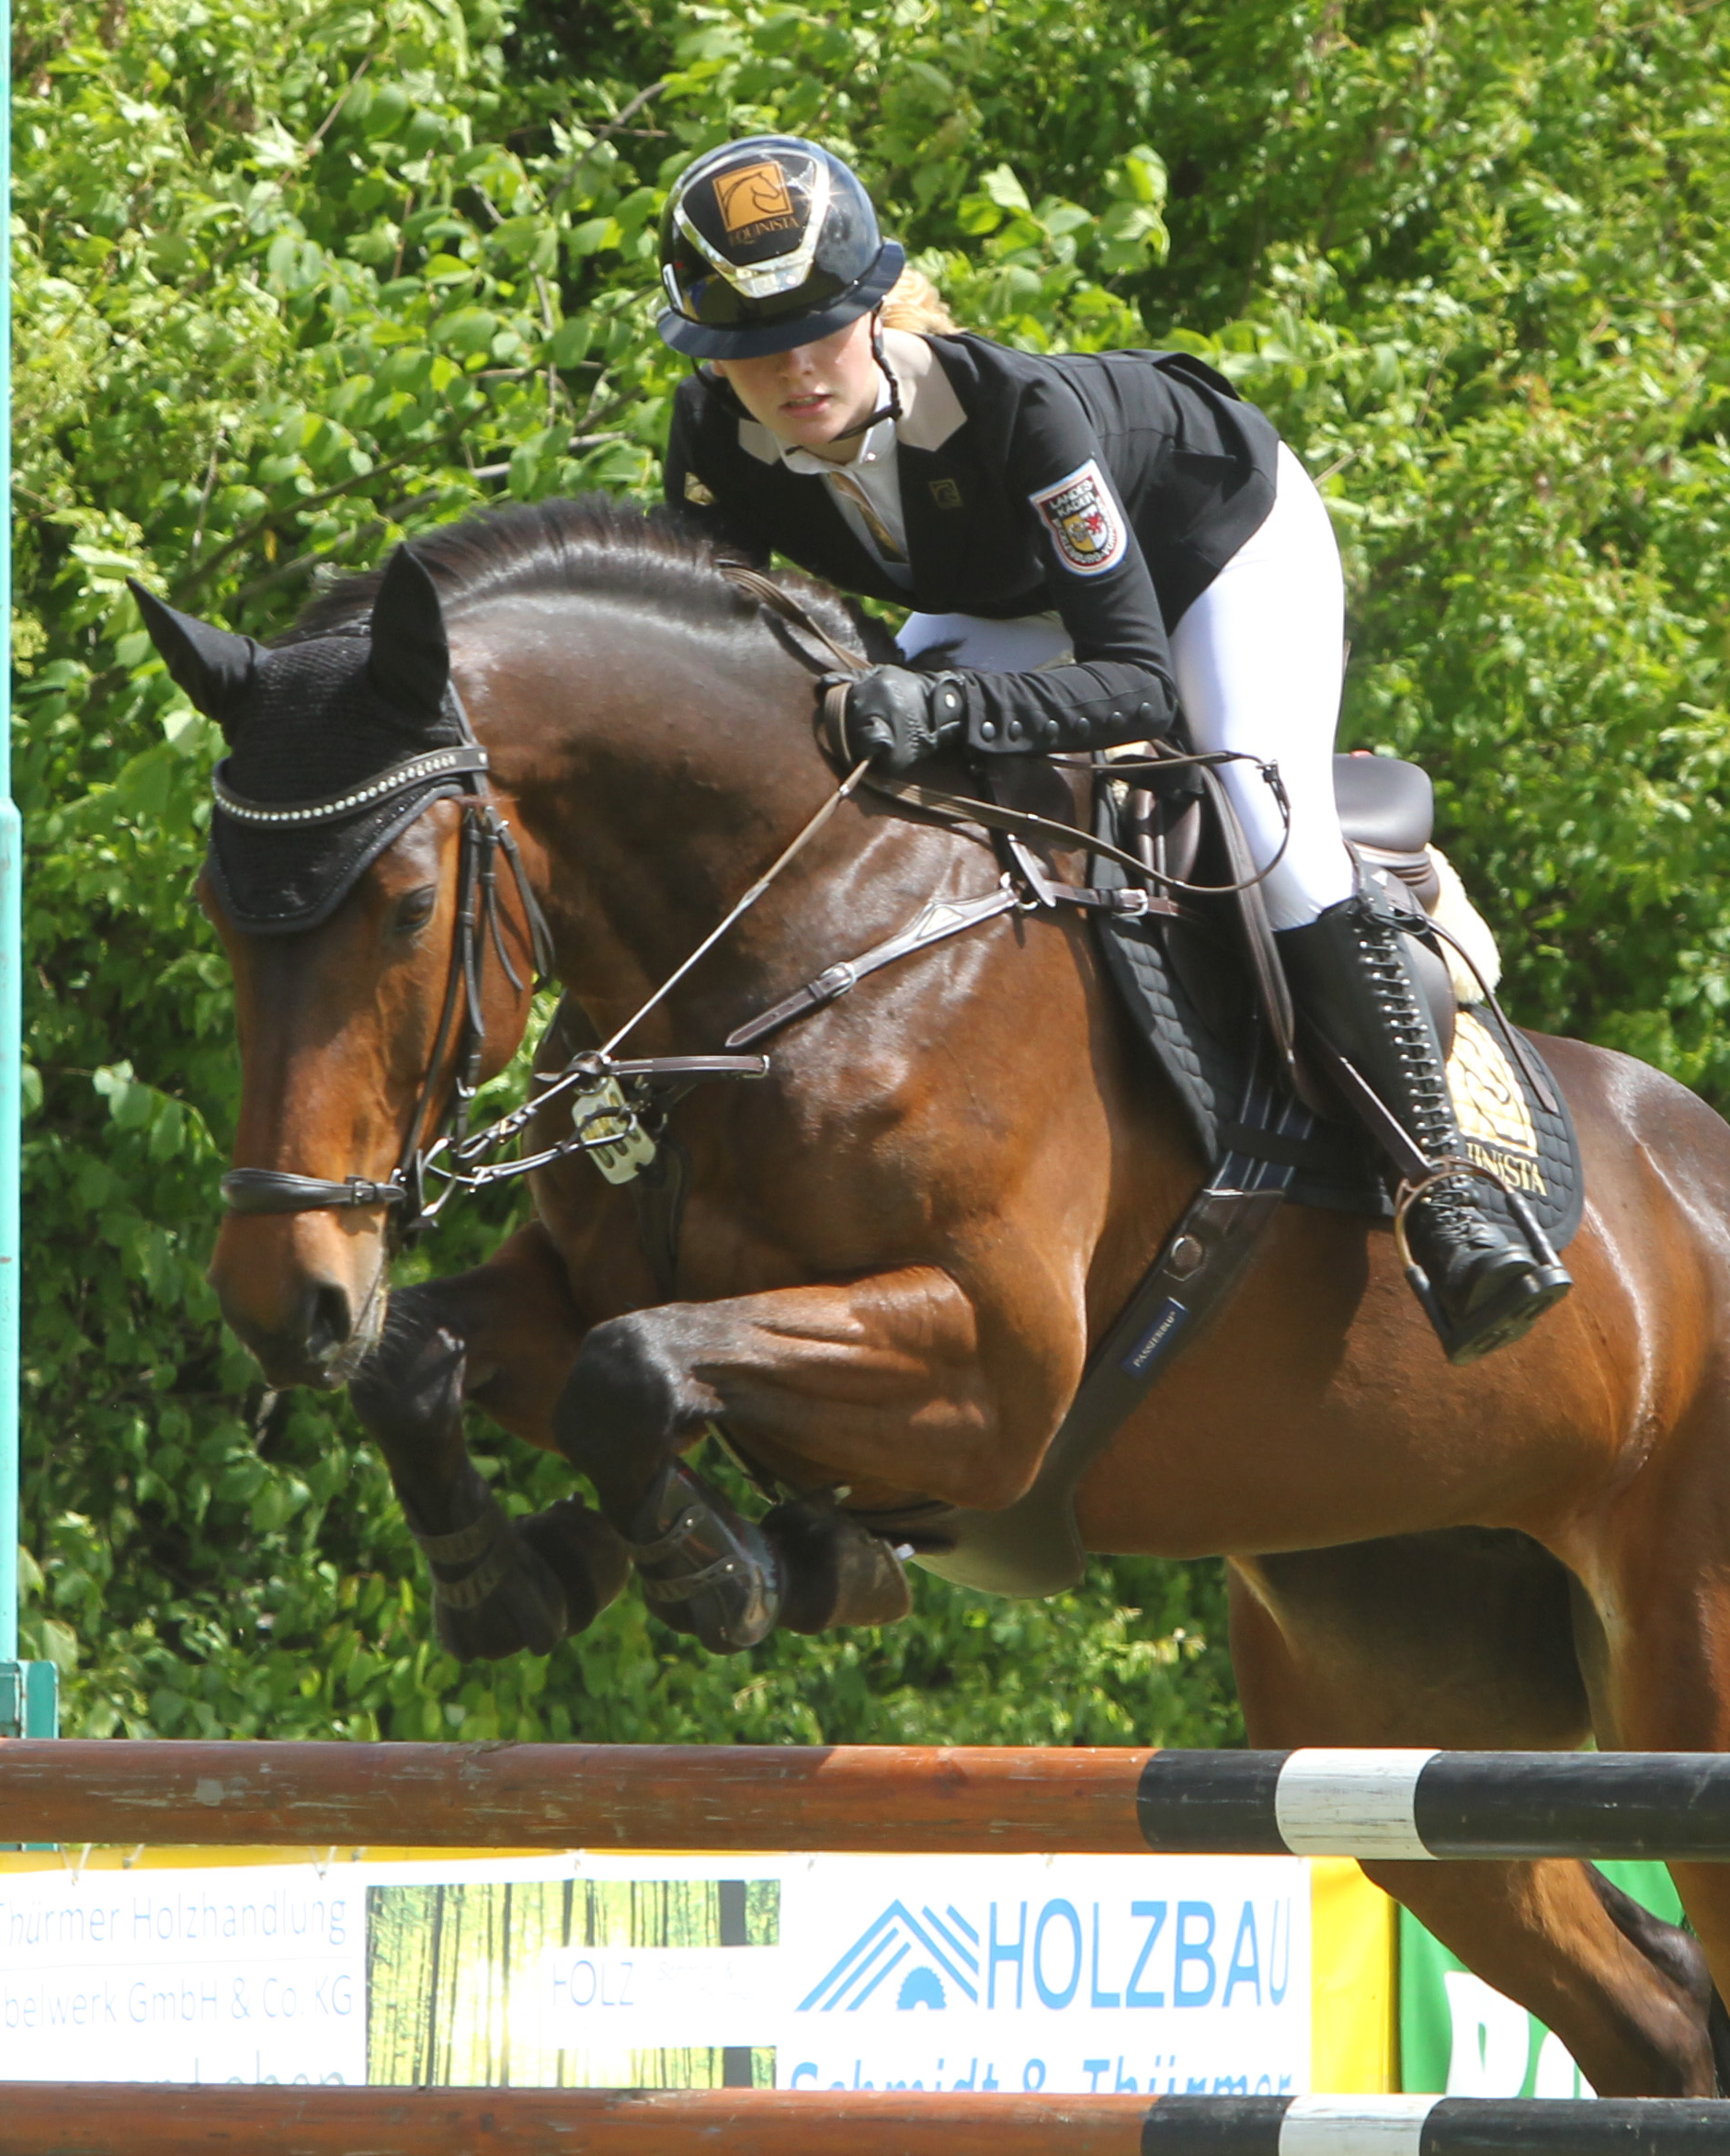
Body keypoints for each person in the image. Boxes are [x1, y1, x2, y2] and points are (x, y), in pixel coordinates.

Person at [654, 134, 1569, 1364]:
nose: (793, 371)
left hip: (1210, 542)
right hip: (1000, 584)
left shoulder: (1013, 412)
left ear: (874, 303)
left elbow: (1132, 672)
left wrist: (952, 710)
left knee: (1261, 817)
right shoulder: (712, 440)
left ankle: (1445, 1196)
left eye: (819, 327)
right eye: (751, 352)